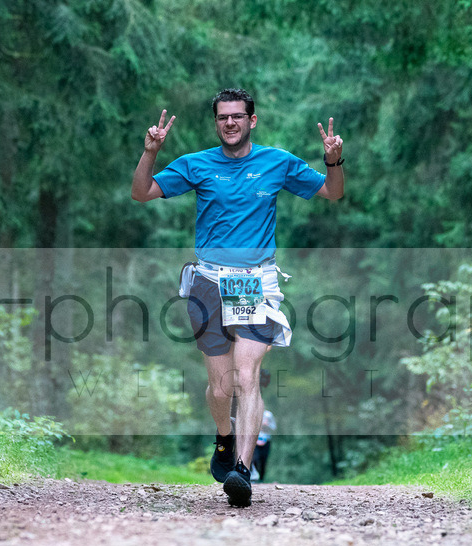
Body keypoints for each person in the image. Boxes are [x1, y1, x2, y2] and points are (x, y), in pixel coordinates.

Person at [132, 88, 344, 507]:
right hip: (208, 281)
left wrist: (333, 159)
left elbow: (332, 193)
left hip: (255, 282)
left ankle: (242, 471)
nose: (230, 123)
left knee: (247, 377)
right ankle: (224, 438)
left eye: (237, 116)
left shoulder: (277, 162)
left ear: (252, 120)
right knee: (220, 386)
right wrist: (150, 152)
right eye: (223, 117)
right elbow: (142, 192)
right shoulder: (197, 164)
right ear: (217, 123)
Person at [251, 408, 276, 483]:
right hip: (255, 441)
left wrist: (267, 425)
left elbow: (274, 427)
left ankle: (261, 479)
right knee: (255, 459)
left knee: (263, 461)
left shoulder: (269, 415)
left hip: (266, 441)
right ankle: (254, 476)